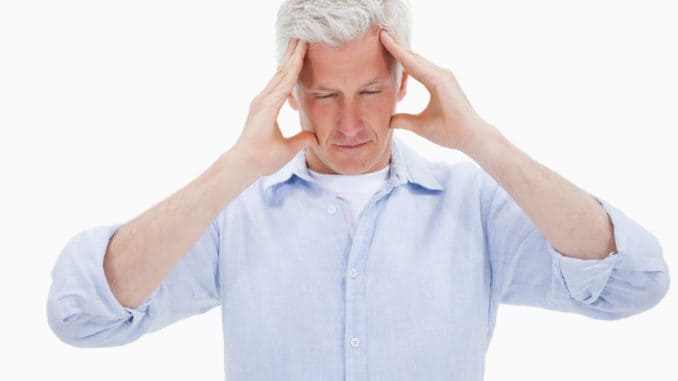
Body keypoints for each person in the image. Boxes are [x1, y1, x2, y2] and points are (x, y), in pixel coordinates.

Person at [47, 1, 669, 380]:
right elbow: (83, 314)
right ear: (289, 92)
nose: (348, 125)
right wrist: (236, 166)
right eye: (323, 94)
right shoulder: (235, 216)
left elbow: (633, 281)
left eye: (370, 91)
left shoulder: (475, 206)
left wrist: (483, 140)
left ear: (403, 82)